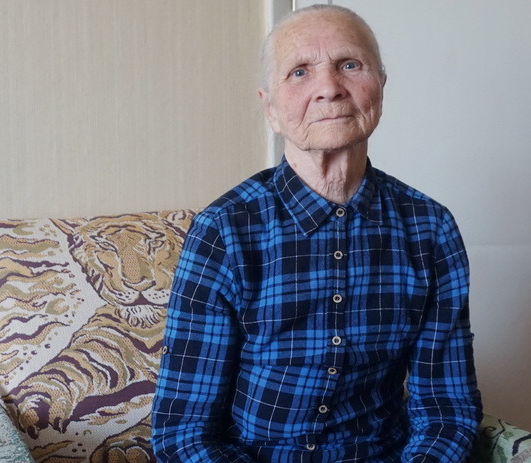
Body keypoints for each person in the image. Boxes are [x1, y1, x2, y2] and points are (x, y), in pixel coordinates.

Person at [151, 4, 482, 462]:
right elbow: (183, 433)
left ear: (381, 86)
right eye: (300, 72)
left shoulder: (431, 229)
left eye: (350, 65)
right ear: (270, 108)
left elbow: (446, 411)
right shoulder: (224, 231)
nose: (329, 88)